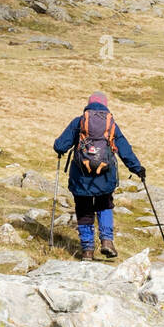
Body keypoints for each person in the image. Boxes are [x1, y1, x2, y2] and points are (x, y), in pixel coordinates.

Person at [53, 91, 145, 261]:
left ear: (88, 104)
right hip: (105, 176)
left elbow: (60, 145)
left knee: (84, 210)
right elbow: (124, 148)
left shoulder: (79, 121)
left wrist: (59, 149)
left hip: (81, 177)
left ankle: (87, 250)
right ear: (105, 105)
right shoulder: (111, 124)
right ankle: (107, 242)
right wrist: (137, 168)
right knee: (104, 205)